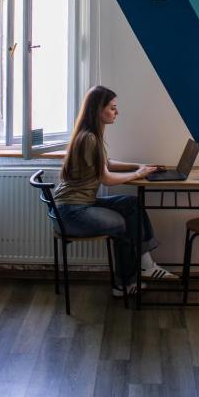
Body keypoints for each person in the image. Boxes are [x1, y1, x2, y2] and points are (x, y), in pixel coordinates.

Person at [53, 85, 177, 296]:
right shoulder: (89, 138)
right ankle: (126, 283)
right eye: (112, 108)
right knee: (124, 223)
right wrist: (138, 174)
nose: (116, 112)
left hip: (77, 205)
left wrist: (138, 166)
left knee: (130, 204)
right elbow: (107, 179)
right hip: (72, 213)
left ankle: (145, 265)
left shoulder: (89, 135)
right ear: (98, 110)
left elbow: (106, 163)